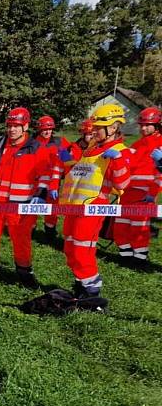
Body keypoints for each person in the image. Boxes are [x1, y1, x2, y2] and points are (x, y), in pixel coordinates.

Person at [59, 104, 130, 297]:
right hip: (75, 207)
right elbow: (81, 173)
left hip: (93, 208)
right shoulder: (92, 148)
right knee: (70, 247)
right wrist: (67, 161)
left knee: (82, 250)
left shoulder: (119, 151)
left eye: (99, 127)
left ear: (113, 127)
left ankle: (92, 291)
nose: (94, 130)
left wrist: (118, 161)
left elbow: (123, 184)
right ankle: (81, 283)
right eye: (94, 126)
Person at [0, 108, 52, 288]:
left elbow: (45, 174)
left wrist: (41, 194)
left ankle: (24, 271)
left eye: (16, 126)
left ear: (25, 126)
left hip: (21, 204)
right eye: (10, 126)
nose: (12, 130)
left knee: (21, 239)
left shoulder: (36, 148)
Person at [112, 107, 162, 267]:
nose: (143, 128)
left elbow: (160, 174)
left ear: (157, 125)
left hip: (144, 193)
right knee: (120, 225)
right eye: (141, 125)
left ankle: (139, 260)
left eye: (147, 125)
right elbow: (128, 162)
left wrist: (153, 193)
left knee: (138, 228)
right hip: (127, 191)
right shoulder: (137, 143)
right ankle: (125, 256)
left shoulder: (160, 144)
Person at [33, 115, 71, 240]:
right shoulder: (33, 143)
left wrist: (68, 176)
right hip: (35, 181)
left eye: (49, 129)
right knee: (32, 206)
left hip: (54, 180)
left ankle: (50, 230)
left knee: (52, 206)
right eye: (44, 129)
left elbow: (68, 161)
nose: (47, 132)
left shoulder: (60, 142)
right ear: (39, 129)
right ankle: (30, 229)